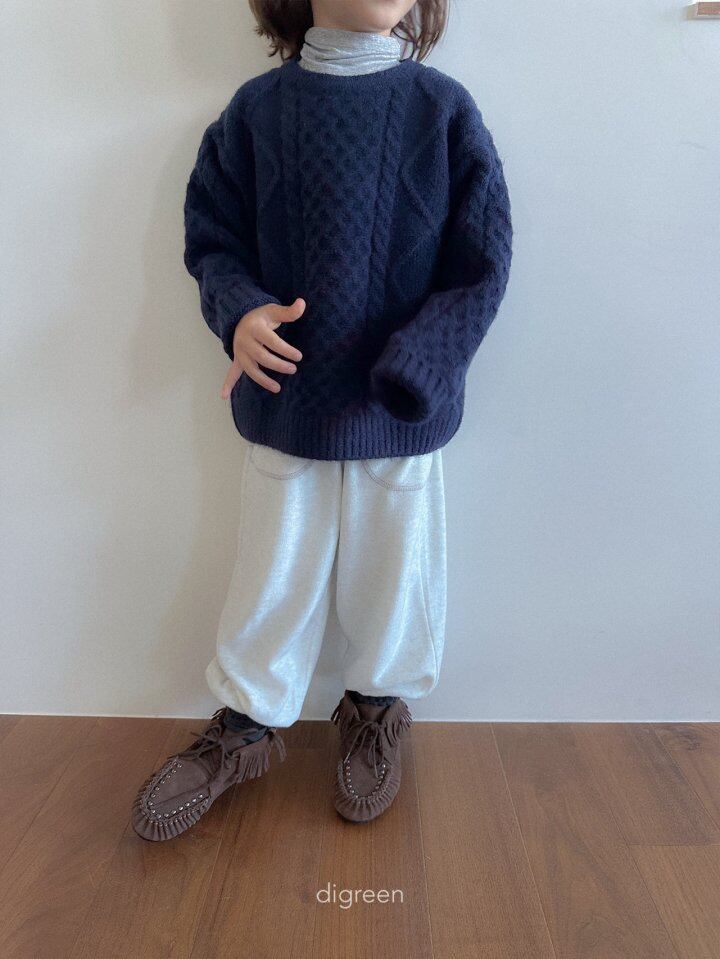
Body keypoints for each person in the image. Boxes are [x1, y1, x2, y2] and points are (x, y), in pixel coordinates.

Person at [132, 0, 512, 841]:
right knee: (273, 569)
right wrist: (238, 311)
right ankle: (246, 720)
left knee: (396, 568)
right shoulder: (256, 113)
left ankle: (377, 706)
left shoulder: (443, 110)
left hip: (398, 409)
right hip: (288, 401)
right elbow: (213, 235)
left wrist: (423, 362)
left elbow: (482, 263)